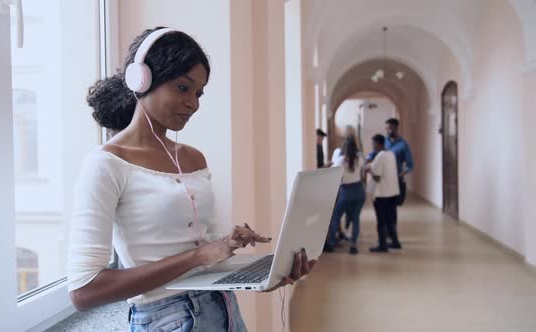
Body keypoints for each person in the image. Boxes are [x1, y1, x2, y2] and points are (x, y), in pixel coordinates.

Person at [67, 27, 316, 332]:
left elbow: (197, 252)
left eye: (198, 93)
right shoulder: (106, 164)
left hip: (222, 308)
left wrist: (255, 269)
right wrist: (198, 256)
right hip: (165, 318)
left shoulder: (193, 158)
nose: (194, 104)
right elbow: (84, 292)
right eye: (183, 88)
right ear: (141, 80)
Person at [325, 136, 366, 255]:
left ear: (344, 147)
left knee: (336, 217)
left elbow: (332, 174)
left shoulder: (341, 160)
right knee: (355, 219)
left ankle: (331, 243)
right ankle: (353, 244)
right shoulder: (359, 158)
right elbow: (363, 170)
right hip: (359, 191)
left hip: (346, 192)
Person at [367, 134, 402, 253]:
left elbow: (377, 177)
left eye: (373, 144)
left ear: (378, 144)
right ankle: (395, 242)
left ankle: (382, 245)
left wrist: (369, 169)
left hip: (382, 194)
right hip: (393, 192)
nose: (372, 147)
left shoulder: (380, 156)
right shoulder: (391, 153)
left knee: (381, 220)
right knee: (390, 219)